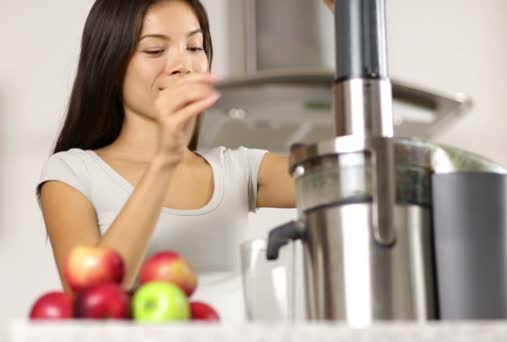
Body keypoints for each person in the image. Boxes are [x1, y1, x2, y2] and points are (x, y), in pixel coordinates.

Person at [37, 0, 335, 321]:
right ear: (110, 67)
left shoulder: (236, 169)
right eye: (154, 50)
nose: (184, 65)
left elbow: (358, 177)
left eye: (195, 46)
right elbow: (92, 305)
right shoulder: (72, 173)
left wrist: (352, 22)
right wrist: (166, 157)